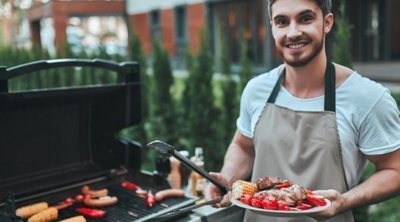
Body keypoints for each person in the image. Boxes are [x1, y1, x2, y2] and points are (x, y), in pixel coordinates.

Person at [204, 0, 400, 221]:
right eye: (282, 21)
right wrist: (227, 177)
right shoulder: (257, 89)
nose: (293, 32)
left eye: (305, 18)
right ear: (272, 27)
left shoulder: (367, 97)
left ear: (327, 22)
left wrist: (345, 202)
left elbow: (395, 170)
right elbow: (243, 146)